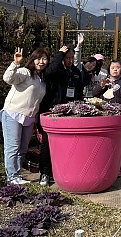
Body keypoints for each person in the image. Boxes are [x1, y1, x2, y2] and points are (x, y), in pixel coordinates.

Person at [0, 47, 49, 185]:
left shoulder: (42, 79)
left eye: (44, 59)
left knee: (22, 148)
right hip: (13, 113)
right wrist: (15, 63)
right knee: (13, 146)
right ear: (33, 60)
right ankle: (12, 176)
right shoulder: (25, 72)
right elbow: (8, 78)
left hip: (29, 117)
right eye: (38, 58)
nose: (41, 62)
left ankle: (17, 174)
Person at [38, 45, 83, 186]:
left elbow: (79, 91)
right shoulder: (55, 69)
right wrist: (59, 55)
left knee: (65, 144)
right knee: (47, 143)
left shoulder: (75, 72)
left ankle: (62, 171)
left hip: (69, 112)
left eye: (72, 58)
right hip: (52, 111)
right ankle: (45, 173)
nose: (70, 61)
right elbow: (49, 72)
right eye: (67, 58)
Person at [92, 59, 121, 176]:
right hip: (105, 117)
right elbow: (95, 94)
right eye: (112, 67)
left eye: (117, 67)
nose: (115, 69)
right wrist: (101, 86)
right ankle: (105, 165)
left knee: (119, 142)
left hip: (118, 117)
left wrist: (115, 86)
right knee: (105, 142)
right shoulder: (105, 81)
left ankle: (120, 166)